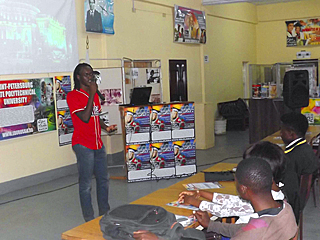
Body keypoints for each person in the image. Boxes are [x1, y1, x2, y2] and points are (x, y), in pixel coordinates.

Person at [178, 141, 286, 227]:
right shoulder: (272, 193)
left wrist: (193, 201)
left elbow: (223, 211)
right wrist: (200, 193)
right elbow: (234, 201)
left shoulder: (262, 199)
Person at [194, 158, 297, 240]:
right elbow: (246, 228)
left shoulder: (250, 235)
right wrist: (211, 225)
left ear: (243, 189)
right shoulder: (286, 208)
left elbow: (249, 232)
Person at [67, 63, 115, 222]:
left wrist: (105, 127)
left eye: (92, 74)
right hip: (83, 144)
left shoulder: (94, 95)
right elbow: (85, 117)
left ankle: (104, 213)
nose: (90, 77)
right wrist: (92, 93)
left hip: (98, 143)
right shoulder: (73, 96)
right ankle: (89, 218)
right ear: (79, 77)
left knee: (103, 180)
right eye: (87, 75)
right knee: (86, 184)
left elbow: (96, 115)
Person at [280, 112, 318, 223]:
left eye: (282, 131)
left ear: (292, 134)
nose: (281, 134)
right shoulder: (306, 149)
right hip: (297, 204)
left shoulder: (291, 158)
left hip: (289, 207)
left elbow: (288, 190)